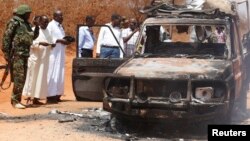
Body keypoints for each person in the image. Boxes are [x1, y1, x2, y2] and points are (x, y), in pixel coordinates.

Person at [2, 4, 36, 109]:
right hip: (16, 55)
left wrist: (37, 27)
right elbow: (6, 38)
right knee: (19, 78)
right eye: (28, 13)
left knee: (23, 78)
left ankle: (17, 100)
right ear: (23, 13)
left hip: (25, 54)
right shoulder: (14, 22)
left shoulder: (26, 24)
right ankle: (15, 101)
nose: (29, 15)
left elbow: (32, 37)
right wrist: (6, 54)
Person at [22, 15, 55, 105]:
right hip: (35, 58)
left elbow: (50, 41)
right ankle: (29, 98)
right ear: (39, 22)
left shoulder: (48, 31)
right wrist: (40, 43)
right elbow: (29, 42)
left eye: (47, 22)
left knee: (41, 79)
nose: (46, 24)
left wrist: (52, 44)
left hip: (44, 60)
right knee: (32, 78)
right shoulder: (33, 30)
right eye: (45, 22)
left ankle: (36, 98)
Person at [47, 10, 70, 103]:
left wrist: (67, 40)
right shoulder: (51, 25)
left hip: (60, 52)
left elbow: (61, 37)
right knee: (52, 72)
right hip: (53, 53)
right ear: (55, 17)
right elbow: (49, 37)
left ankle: (57, 94)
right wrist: (59, 40)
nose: (62, 17)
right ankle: (50, 95)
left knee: (60, 72)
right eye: (60, 16)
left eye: (62, 15)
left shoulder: (60, 27)